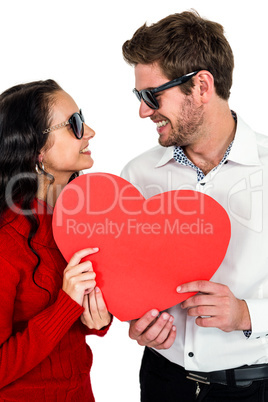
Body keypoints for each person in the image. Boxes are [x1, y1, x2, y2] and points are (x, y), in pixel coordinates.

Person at [121, 10, 268, 402]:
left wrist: (246, 314)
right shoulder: (137, 175)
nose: (143, 110)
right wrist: (137, 321)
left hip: (253, 388)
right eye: (139, 97)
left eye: (152, 95)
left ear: (202, 85)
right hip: (162, 382)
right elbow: (127, 277)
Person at [0, 80, 112, 401]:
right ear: (37, 149)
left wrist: (98, 318)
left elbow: (77, 326)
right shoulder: (6, 242)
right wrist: (66, 305)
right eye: (74, 124)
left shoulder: (83, 218)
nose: (89, 131)